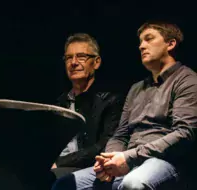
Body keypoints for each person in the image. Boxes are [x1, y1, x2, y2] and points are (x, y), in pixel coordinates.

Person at [52, 21, 197, 190]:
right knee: (66, 184)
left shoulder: (188, 81)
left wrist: (129, 157)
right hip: (130, 159)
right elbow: (120, 135)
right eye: (140, 42)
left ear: (170, 44)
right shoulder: (136, 88)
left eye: (149, 39)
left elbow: (185, 133)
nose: (142, 46)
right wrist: (109, 160)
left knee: (133, 184)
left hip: (166, 161)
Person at [51, 33, 124, 179]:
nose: (74, 62)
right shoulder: (60, 102)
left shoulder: (111, 100)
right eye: (69, 57)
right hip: (56, 166)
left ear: (96, 62)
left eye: (81, 56)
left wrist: (60, 162)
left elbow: (104, 146)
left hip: (86, 168)